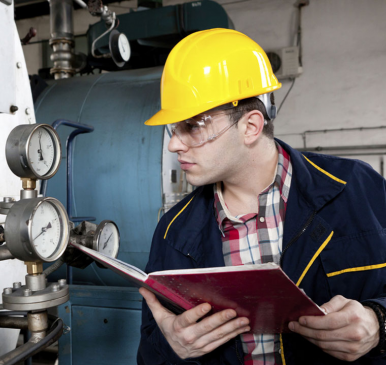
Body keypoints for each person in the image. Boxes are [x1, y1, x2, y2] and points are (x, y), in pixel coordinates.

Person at [137, 28, 386, 365]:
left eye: (192, 125)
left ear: (251, 126)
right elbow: (149, 354)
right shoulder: (173, 234)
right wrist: (174, 349)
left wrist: (379, 322)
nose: (174, 144)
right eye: (173, 128)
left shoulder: (358, 188)